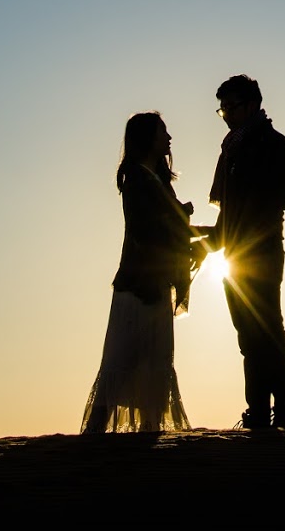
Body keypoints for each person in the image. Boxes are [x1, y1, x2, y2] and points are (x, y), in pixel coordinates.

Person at [193, 74, 285, 431]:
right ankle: (257, 411)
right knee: (247, 335)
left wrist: (231, 228)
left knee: (268, 329)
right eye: (222, 110)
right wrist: (206, 244)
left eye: (231, 107)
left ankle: (283, 410)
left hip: (263, 252)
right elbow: (227, 215)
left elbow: (281, 198)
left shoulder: (276, 145)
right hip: (234, 254)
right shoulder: (231, 149)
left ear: (251, 105)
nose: (226, 115)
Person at [81, 111, 193, 433]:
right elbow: (149, 230)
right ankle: (97, 434)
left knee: (153, 363)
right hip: (138, 284)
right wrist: (188, 235)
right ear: (148, 137)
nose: (169, 138)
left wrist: (199, 236)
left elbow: (167, 230)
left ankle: (149, 431)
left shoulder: (153, 180)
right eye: (163, 132)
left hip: (154, 284)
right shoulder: (138, 180)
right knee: (122, 360)